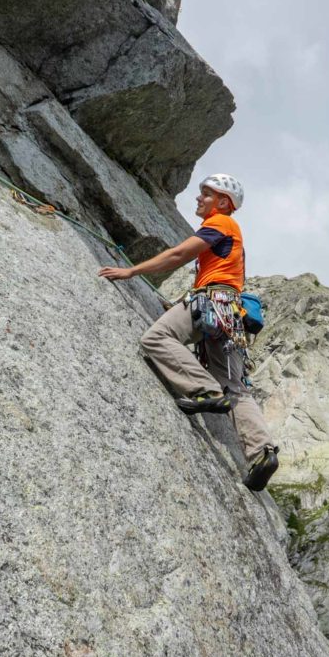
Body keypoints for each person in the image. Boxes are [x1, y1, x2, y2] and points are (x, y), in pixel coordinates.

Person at [98, 174, 280, 492]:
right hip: (230, 312)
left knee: (156, 339)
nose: (199, 199)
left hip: (213, 302)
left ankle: (205, 391)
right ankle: (263, 453)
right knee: (235, 388)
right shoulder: (233, 234)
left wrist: (132, 271)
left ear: (223, 202)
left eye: (206, 194)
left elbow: (178, 255)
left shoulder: (221, 222)